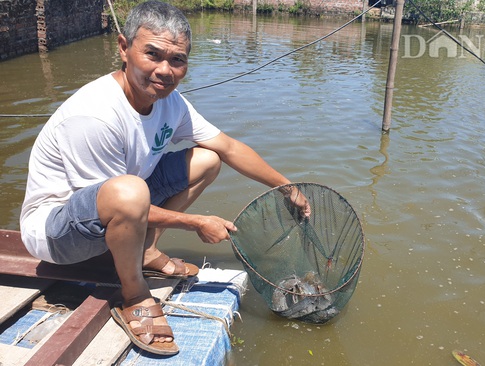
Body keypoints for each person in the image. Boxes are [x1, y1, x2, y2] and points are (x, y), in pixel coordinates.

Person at [19, 0, 310, 356]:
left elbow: (229, 147)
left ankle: (145, 249)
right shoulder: (95, 114)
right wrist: (194, 222)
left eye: (177, 60)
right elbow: (114, 201)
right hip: (58, 233)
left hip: (122, 198)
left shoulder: (171, 104)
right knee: (129, 193)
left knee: (207, 159)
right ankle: (133, 294)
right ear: (124, 49)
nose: (164, 70)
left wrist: (287, 186)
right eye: (152, 54)